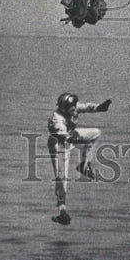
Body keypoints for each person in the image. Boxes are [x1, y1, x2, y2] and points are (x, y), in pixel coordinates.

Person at [47, 92, 112, 225]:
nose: (75, 109)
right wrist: (70, 138)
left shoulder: (73, 107)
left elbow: (86, 107)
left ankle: (84, 164)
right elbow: (61, 132)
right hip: (59, 145)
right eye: (72, 107)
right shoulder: (57, 118)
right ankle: (62, 211)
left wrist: (99, 107)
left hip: (71, 137)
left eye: (74, 106)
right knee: (61, 178)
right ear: (65, 108)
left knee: (95, 133)